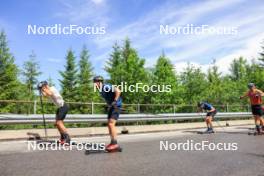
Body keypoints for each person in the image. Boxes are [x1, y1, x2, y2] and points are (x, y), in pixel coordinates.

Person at [93, 76, 122, 151]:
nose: (94, 84)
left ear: (100, 82)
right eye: (94, 83)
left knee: (111, 124)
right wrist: (108, 105)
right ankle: (113, 142)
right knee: (109, 124)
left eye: (95, 82)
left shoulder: (106, 86)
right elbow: (108, 98)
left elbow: (118, 91)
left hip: (116, 106)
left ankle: (115, 143)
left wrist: (115, 101)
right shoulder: (100, 90)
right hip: (111, 107)